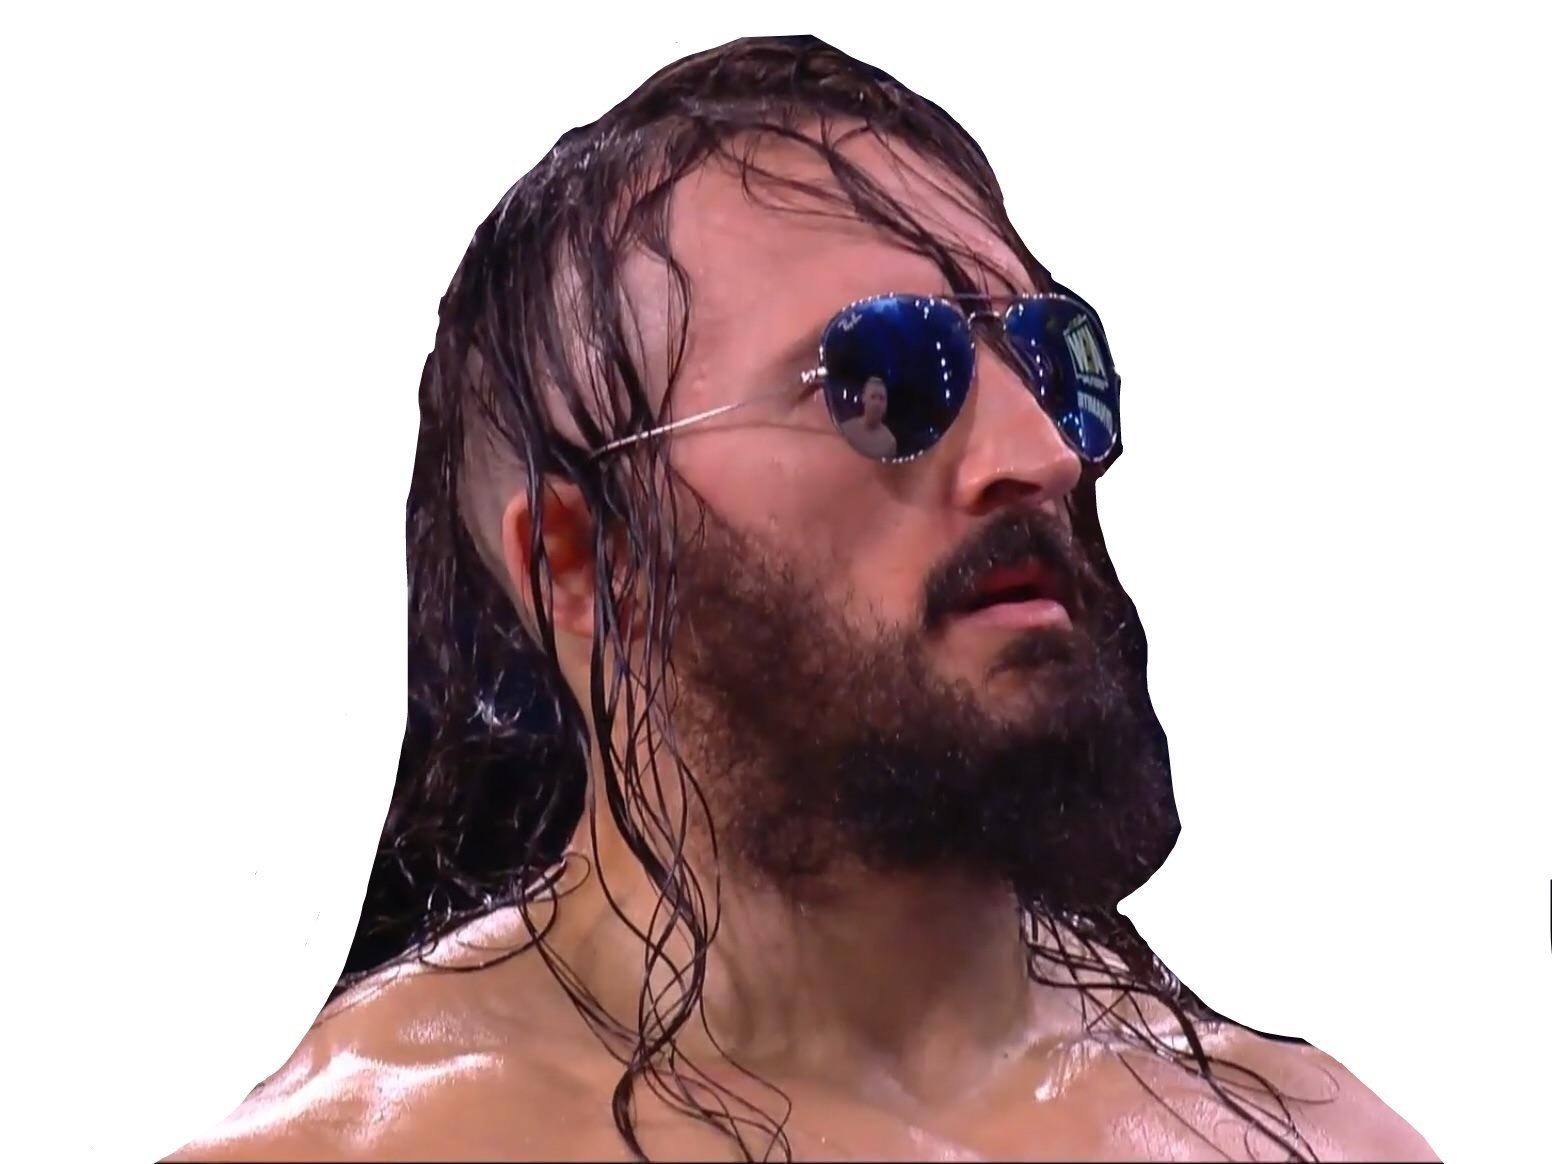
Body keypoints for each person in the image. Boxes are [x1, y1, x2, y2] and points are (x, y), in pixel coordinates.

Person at [169, 36, 1436, 1162]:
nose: (1042, 453)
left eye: (1051, 363)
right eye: (881, 380)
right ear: (579, 563)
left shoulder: (1317, 1137)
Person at [839, 376, 899, 459]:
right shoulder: (845, 430)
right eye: (873, 397)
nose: (877, 404)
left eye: (881, 398)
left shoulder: (889, 442)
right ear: (864, 398)